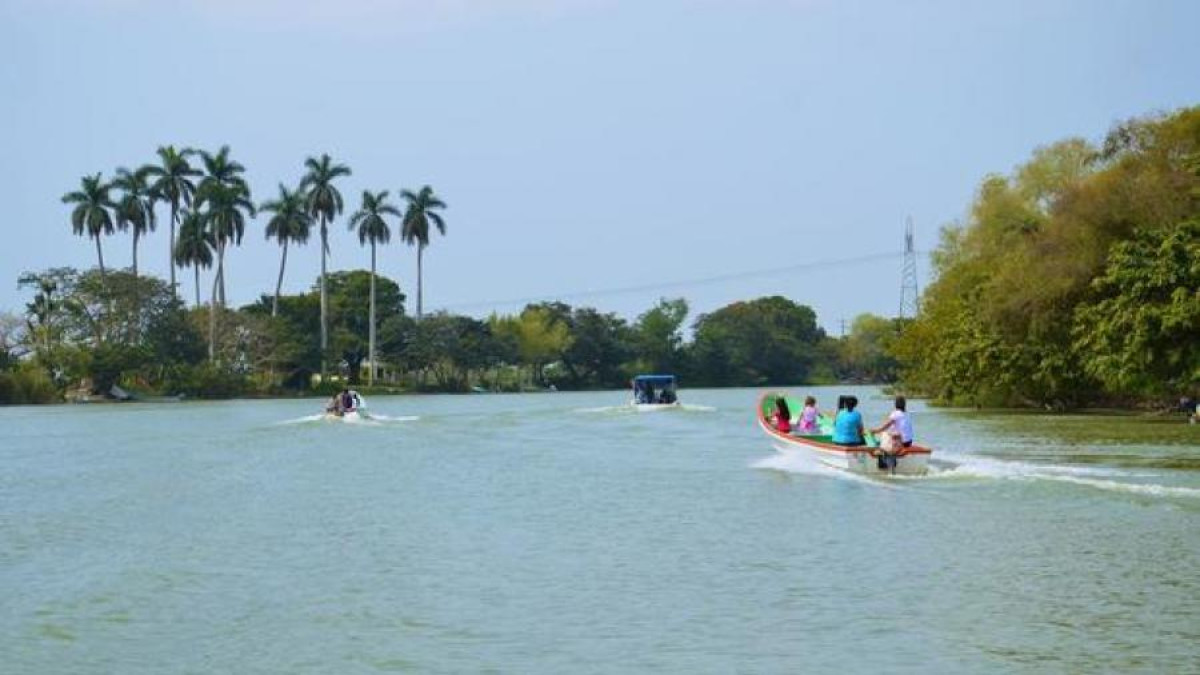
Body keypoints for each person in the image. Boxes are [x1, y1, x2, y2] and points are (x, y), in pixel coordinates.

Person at [870, 396, 913, 473]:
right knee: (890, 435)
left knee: (884, 434)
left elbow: (885, 426)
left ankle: (883, 456)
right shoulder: (907, 414)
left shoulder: (895, 414)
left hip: (900, 442)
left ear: (895, 404)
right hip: (908, 442)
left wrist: (875, 431)